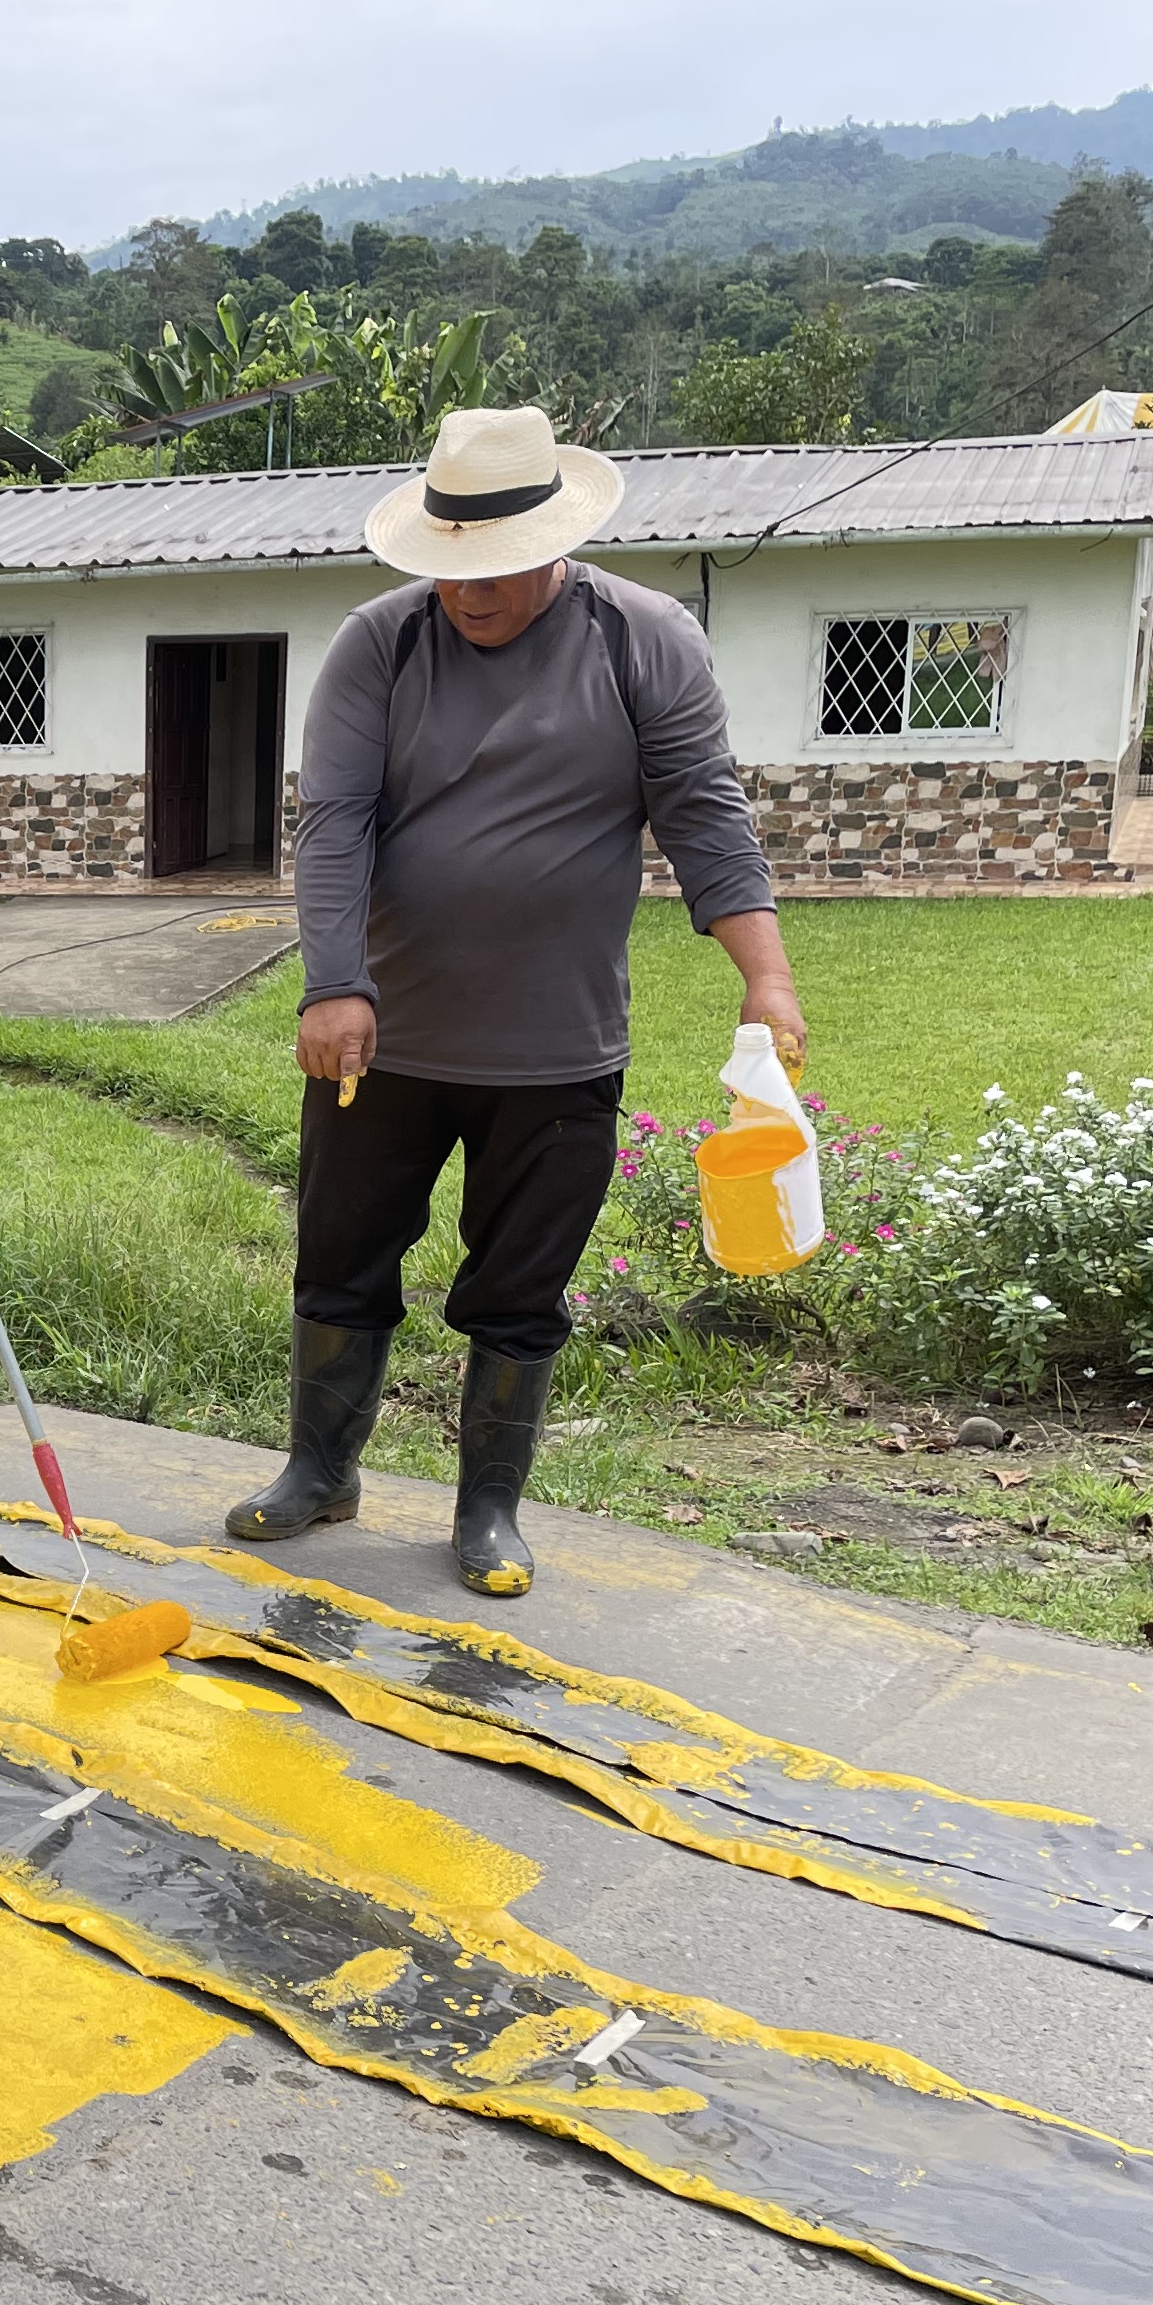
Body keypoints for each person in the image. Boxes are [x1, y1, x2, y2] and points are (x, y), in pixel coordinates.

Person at [234, 405, 803, 1596]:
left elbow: (704, 812)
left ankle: (487, 1510)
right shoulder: (380, 644)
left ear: (556, 541)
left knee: (520, 1288)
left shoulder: (643, 639)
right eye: (449, 566)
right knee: (340, 1256)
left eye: (494, 566)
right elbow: (334, 824)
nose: (469, 591)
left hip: (557, 1049)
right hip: (385, 1040)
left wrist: (767, 978)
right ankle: (320, 1469)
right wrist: (334, 985)